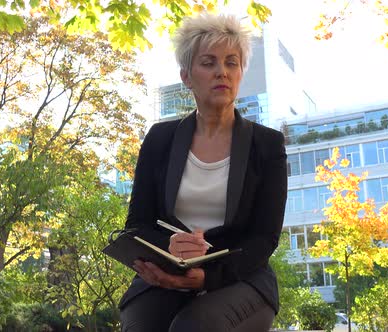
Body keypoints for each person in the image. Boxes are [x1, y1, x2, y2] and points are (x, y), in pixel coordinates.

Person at [118, 13, 287, 332]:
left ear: (240, 72)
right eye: (208, 63)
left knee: (193, 326)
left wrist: (209, 276)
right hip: (167, 276)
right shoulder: (160, 138)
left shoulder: (267, 144)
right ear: (186, 76)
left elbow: (265, 237)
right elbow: (138, 223)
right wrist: (170, 247)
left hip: (241, 277)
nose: (221, 72)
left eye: (231, 63)